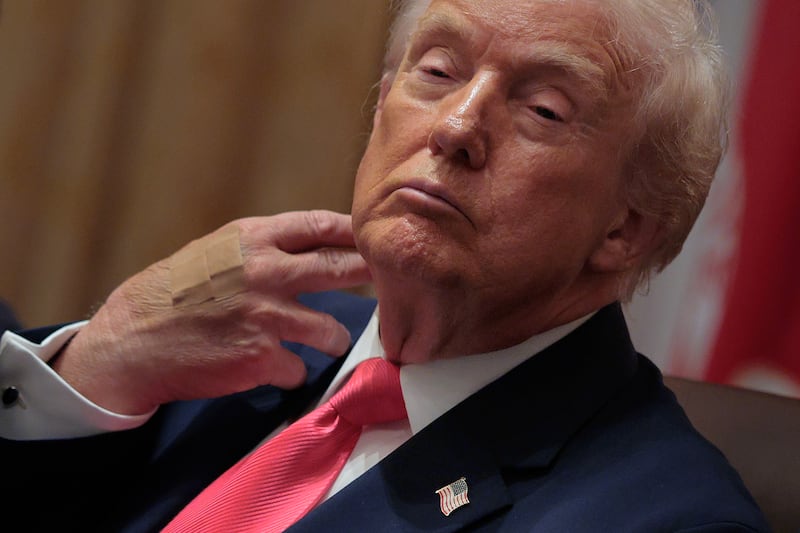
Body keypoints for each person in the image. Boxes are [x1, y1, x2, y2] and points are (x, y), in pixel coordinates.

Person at [0, 0, 770, 531]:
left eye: (543, 110)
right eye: (436, 70)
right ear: (378, 110)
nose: (456, 127)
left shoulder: (668, 516)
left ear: (626, 228)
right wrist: (96, 363)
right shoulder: (238, 330)